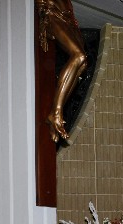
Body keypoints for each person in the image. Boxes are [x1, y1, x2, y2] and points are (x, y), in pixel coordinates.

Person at [37, 0, 87, 143]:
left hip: (68, 18)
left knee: (83, 64)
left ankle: (55, 111)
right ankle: (57, 111)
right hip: (52, 13)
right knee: (78, 56)